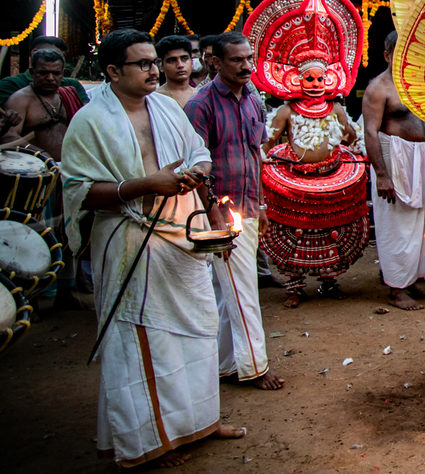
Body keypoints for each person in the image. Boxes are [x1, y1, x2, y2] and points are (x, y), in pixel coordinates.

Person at [61, 29, 245, 467]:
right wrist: (145, 184)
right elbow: (78, 190)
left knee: (198, 331)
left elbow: (198, 152)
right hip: (129, 238)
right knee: (141, 340)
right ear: (111, 71)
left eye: (152, 62)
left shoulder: (166, 106)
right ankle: (145, 441)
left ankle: (200, 422)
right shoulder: (91, 121)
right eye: (141, 63)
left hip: (180, 236)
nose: (152, 70)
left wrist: (195, 174)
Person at [185, 32, 283, 391]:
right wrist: (213, 216)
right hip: (221, 213)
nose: (246, 66)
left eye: (249, 58)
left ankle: (226, 364)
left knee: (228, 289)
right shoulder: (201, 104)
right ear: (215, 62)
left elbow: (255, 156)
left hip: (248, 207)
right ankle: (255, 366)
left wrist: (260, 205)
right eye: (237, 60)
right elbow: (195, 168)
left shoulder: (252, 99)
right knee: (242, 290)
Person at [1, 47, 88, 309]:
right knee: (41, 233)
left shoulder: (69, 95)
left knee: (68, 230)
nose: (50, 78)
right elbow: (8, 137)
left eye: (56, 73)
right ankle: (36, 299)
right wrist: (43, 156)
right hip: (41, 177)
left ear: (63, 74)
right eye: (43, 73)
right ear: (32, 72)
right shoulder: (20, 99)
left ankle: (64, 292)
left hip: (70, 174)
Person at [363, 31, 425, 310]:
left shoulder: (420, 83)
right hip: (393, 157)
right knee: (395, 223)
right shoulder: (378, 88)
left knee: (422, 221)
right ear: (387, 55)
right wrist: (382, 174)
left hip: (421, 156)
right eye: (400, 52)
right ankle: (396, 289)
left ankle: (411, 278)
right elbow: (370, 133)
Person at [0, 35, 89, 105]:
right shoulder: (10, 84)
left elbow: (84, 113)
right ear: (34, 52)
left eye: (62, 56)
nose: (50, 78)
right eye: (53, 54)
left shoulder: (72, 85)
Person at [156, 35, 196, 109]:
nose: (180, 65)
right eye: (172, 60)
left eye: (184, 59)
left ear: (192, 62)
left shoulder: (202, 95)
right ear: (160, 66)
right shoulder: (155, 99)